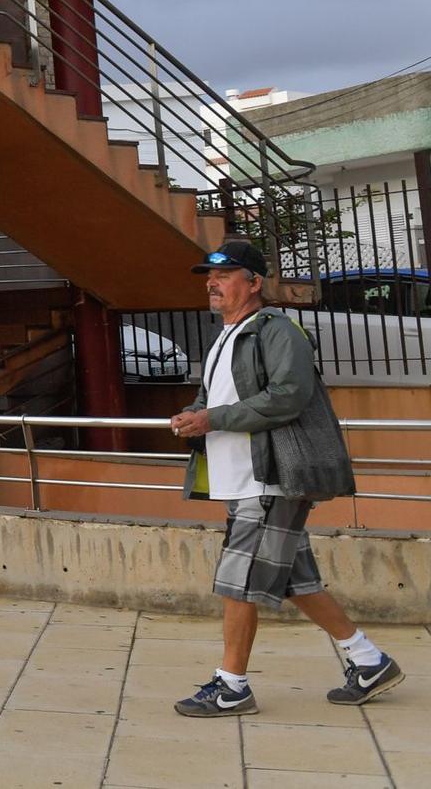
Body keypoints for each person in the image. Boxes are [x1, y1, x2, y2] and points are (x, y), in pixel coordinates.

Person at [169, 239, 403, 716]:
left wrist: (213, 419)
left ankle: (232, 685)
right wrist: (193, 414)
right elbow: (211, 396)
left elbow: (288, 396)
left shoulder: (277, 330)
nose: (212, 284)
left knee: (238, 580)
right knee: (297, 581)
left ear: (254, 284)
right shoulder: (224, 338)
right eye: (210, 278)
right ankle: (369, 660)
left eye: (226, 275)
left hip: (271, 477)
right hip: (243, 478)